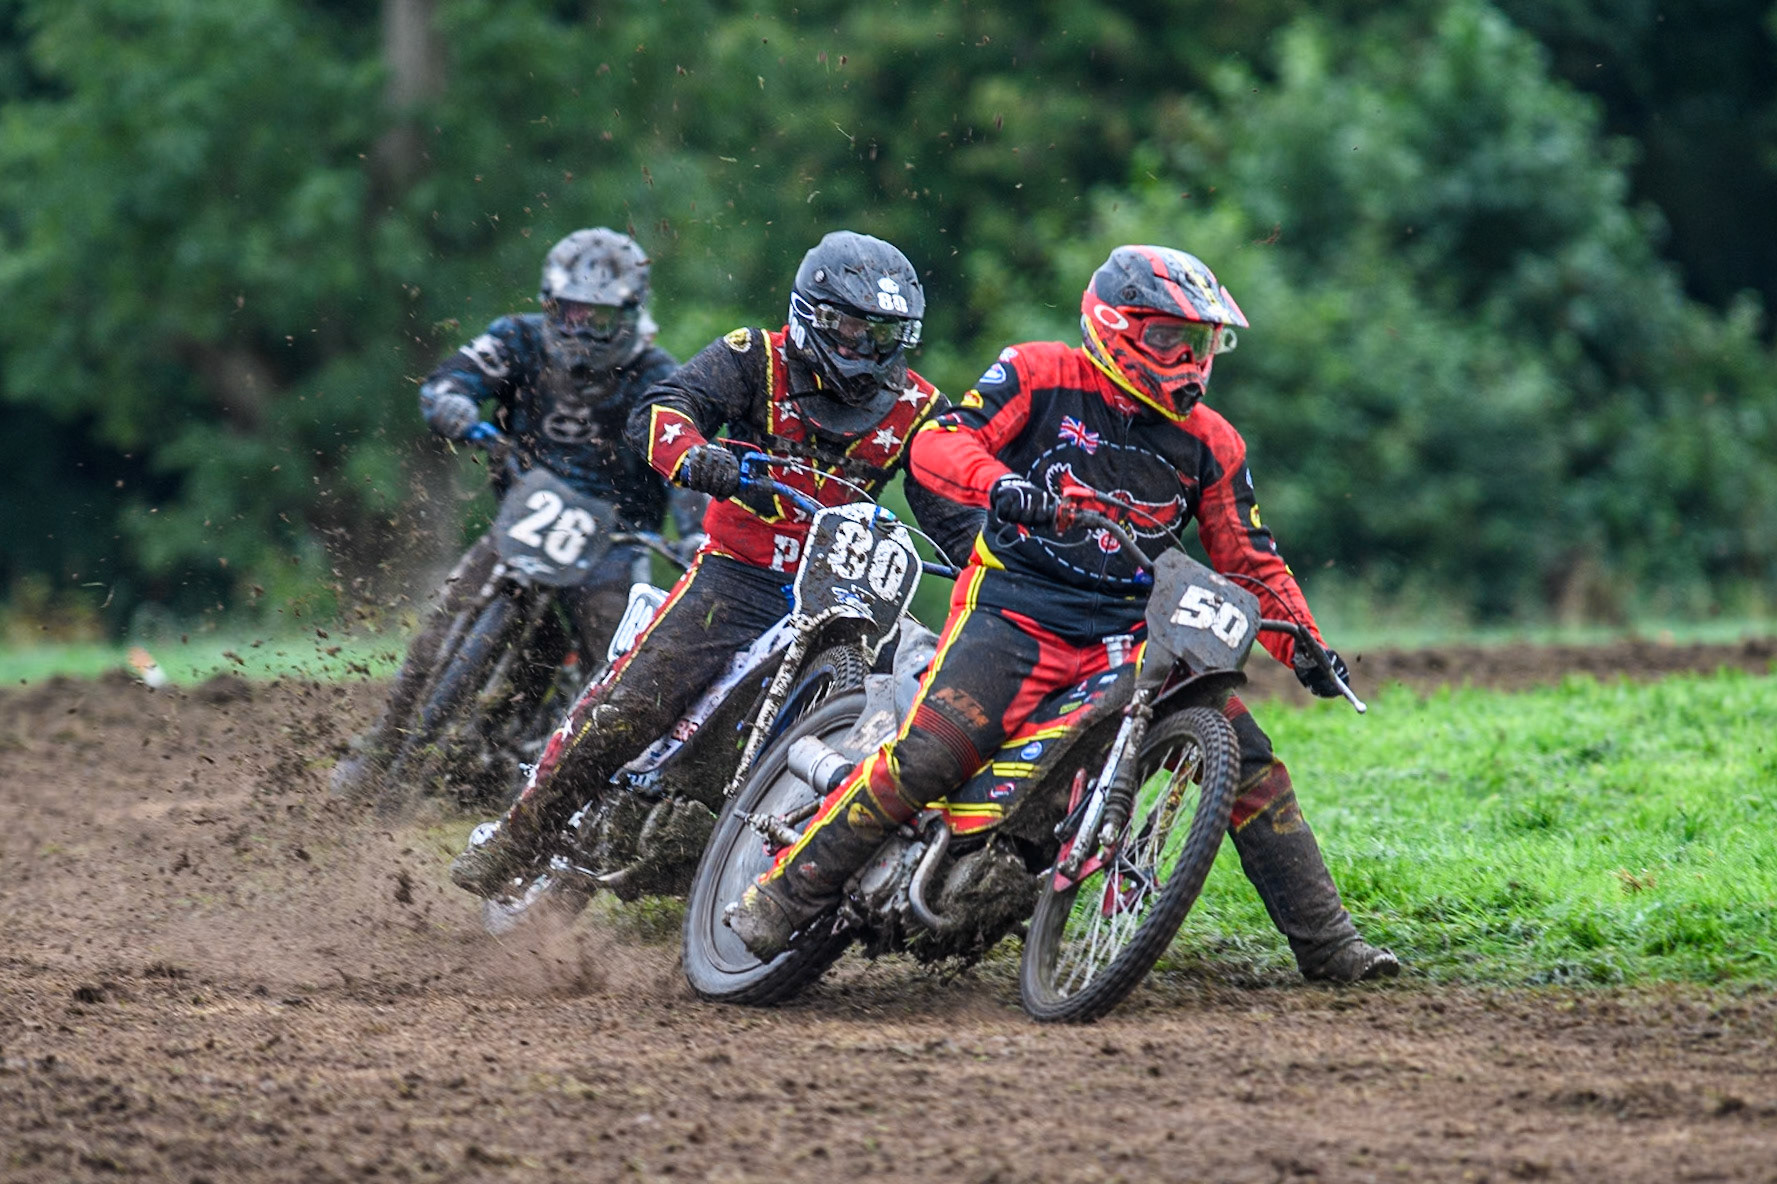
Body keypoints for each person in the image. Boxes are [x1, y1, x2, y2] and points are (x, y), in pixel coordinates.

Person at [729, 244, 1399, 983]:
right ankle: (783, 895)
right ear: (1116, 326)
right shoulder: (1038, 373)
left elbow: (1248, 557)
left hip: (1129, 628)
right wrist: (999, 486)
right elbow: (938, 445)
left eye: (1201, 343)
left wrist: (1303, 641)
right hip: (1016, 610)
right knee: (931, 756)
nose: (1188, 359)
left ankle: (1330, 946)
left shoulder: (1213, 442)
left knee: (1251, 758)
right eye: (1169, 338)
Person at [448, 230, 983, 897]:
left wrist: (993, 564)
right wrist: (699, 457)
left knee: (902, 720)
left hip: (845, 598)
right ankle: (520, 836)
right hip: (737, 578)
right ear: (810, 315)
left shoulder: (921, 411)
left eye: (879, 333)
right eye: (847, 326)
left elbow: (954, 516)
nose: (860, 345)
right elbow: (659, 410)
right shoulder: (752, 358)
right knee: (633, 707)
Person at [332, 228, 687, 799]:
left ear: (628, 315)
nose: (580, 331)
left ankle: (592, 792)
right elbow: (451, 378)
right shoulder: (518, 339)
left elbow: (685, 455)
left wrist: (694, 533)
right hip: (526, 513)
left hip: (613, 544)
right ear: (548, 306)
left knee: (619, 674)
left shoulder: (660, 377)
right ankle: (380, 748)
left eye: (596, 319)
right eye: (568, 314)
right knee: (442, 623)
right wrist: (452, 406)